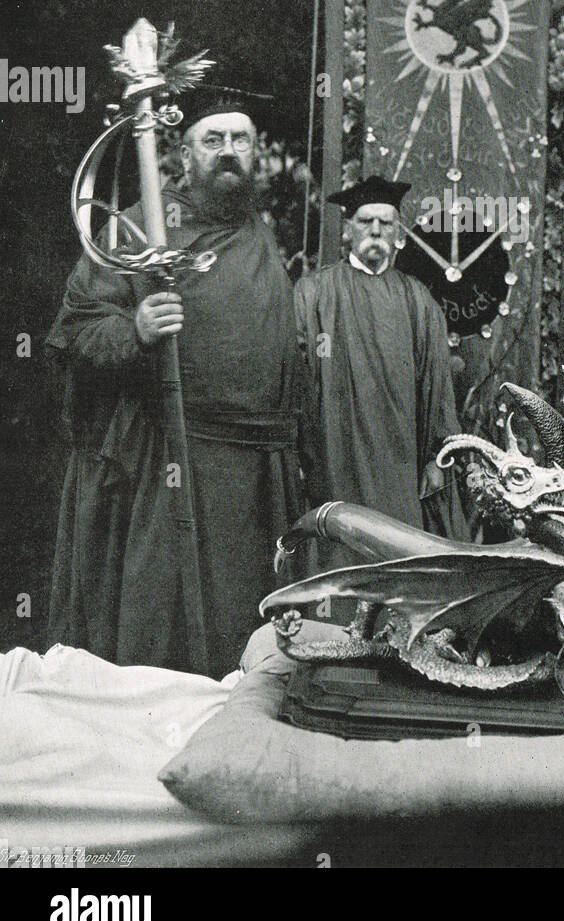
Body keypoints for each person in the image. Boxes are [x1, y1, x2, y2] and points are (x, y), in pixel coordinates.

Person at [48, 90, 316, 679]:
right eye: (212, 140)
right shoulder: (146, 224)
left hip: (253, 478)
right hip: (173, 462)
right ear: (185, 154)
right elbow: (77, 326)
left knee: (243, 632)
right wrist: (138, 330)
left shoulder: (257, 233)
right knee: (161, 630)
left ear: (256, 153)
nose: (228, 153)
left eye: (239, 140)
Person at [294, 175, 469, 539]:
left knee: (399, 548)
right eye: (364, 221)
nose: (375, 230)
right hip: (334, 455)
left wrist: (435, 460)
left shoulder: (417, 300)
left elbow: (437, 385)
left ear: (397, 233)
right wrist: (299, 455)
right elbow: (295, 377)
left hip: (400, 461)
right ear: (347, 231)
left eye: (385, 223)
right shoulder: (314, 293)